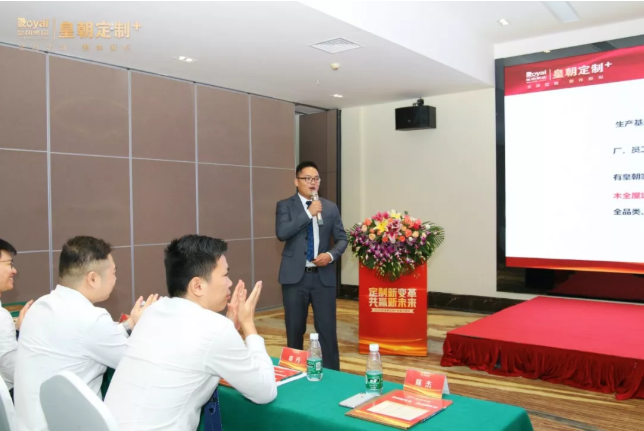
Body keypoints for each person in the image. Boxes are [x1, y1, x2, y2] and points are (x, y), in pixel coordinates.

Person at [105, 235, 276, 431]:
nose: (229, 283)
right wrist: (248, 325)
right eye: (224, 275)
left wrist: (229, 325)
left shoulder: (152, 311)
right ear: (197, 286)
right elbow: (264, 391)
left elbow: (190, 347)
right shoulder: (216, 328)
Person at [14, 236, 157, 431]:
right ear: (92, 278)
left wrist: (130, 324)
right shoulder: (92, 319)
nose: (115, 279)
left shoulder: (40, 306)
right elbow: (139, 363)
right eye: (114, 272)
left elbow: (86, 340)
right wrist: (147, 325)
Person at [275, 161, 348, 371]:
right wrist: (308, 213)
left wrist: (330, 255)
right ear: (296, 181)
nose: (312, 182)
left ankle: (332, 375)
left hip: (323, 277)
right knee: (294, 329)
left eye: (316, 178)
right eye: (307, 178)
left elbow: (342, 239)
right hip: (294, 278)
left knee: (327, 330)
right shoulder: (285, 206)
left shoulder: (330, 207)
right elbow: (282, 233)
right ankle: (293, 372)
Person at [0, 239, 33, 392]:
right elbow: (15, 373)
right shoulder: (2, 317)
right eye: (9, 264)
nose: (14, 271)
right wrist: (24, 333)